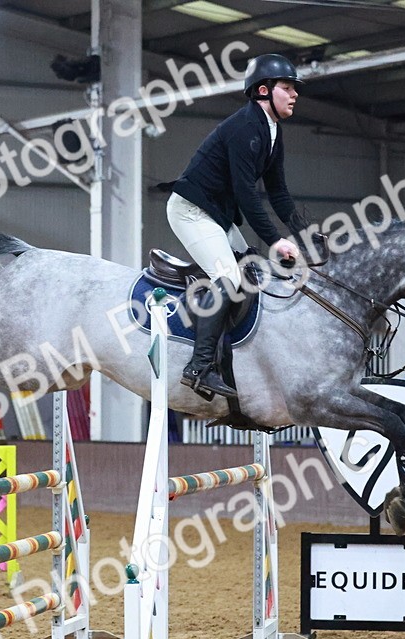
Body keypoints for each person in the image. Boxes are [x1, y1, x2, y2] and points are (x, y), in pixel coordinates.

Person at [162, 53, 305, 400]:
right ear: (262, 91)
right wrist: (275, 241)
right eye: (286, 88)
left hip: (216, 214)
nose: (294, 94)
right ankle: (198, 368)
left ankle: (234, 360)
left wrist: (304, 232)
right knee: (226, 279)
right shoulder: (245, 127)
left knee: (252, 268)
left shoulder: (272, 131)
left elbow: (279, 192)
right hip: (191, 210)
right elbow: (245, 195)